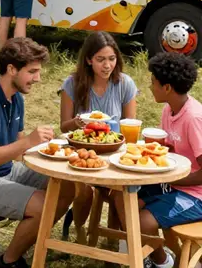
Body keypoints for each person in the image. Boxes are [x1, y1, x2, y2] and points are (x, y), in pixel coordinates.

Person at [0, 38, 74, 268]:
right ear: (11, 69)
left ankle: (34, 243)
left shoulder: (15, 98)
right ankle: (9, 261)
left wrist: (55, 146)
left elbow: (19, 152)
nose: (38, 78)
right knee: (43, 205)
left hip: (7, 171)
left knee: (68, 184)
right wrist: (28, 141)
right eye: (32, 71)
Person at [115, 52, 202, 268]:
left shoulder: (194, 118)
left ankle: (160, 261)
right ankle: (157, 258)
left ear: (167, 88)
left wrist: (171, 178)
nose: (150, 87)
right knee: (121, 196)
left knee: (143, 220)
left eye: (153, 82)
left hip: (196, 195)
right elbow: (167, 152)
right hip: (172, 183)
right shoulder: (168, 110)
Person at [59, 32, 137, 233]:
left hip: (114, 152)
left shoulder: (124, 83)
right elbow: (63, 126)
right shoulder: (73, 84)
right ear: (88, 60)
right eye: (100, 60)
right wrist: (77, 122)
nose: (107, 65)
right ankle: (79, 230)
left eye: (111, 59)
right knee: (84, 192)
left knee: (120, 193)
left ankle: (114, 242)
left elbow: (130, 125)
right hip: (83, 151)